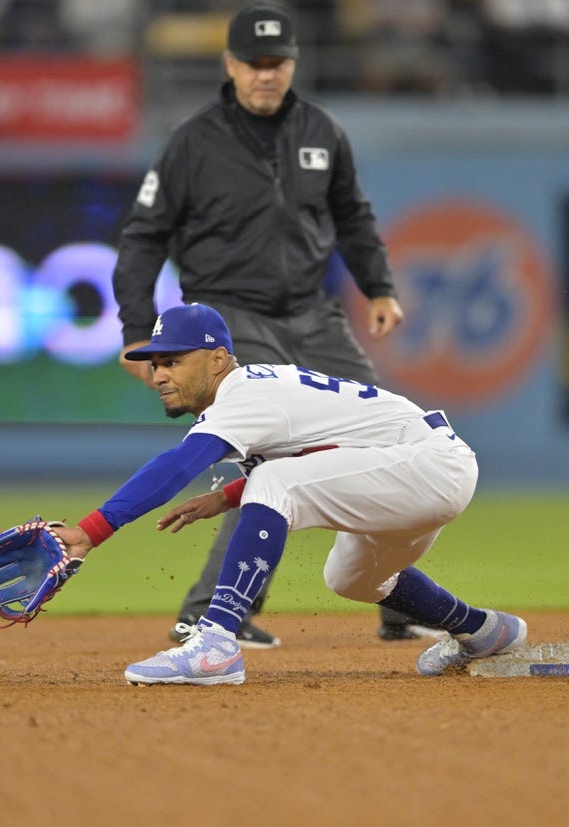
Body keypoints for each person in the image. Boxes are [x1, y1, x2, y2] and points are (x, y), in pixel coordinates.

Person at [111, 2, 428, 646]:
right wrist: (137, 332)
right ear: (230, 65)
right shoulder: (193, 141)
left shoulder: (320, 130)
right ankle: (210, 612)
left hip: (312, 312)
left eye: (277, 62)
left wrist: (380, 287)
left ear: (292, 65)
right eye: (253, 63)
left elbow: (354, 216)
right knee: (262, 451)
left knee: (391, 439)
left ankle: (398, 603)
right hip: (230, 318)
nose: (265, 74)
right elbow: (144, 237)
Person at [48, 303, 526, 685]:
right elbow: (327, 449)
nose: (159, 375)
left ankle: (216, 642)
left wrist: (91, 531)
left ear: (217, 359)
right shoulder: (252, 391)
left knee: (273, 484)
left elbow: (177, 465)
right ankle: (481, 629)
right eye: (155, 364)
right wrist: (227, 496)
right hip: (408, 472)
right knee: (351, 578)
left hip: (426, 464)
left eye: (173, 361)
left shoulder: (242, 394)